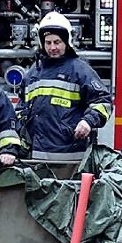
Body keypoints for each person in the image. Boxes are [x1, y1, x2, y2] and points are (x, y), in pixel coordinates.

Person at [17, 12, 113, 160]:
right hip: (35, 156)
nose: (52, 47)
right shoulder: (33, 73)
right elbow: (21, 109)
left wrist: (88, 121)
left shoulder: (80, 70)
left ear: (67, 42)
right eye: (48, 43)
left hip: (71, 157)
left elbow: (104, 102)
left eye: (57, 42)